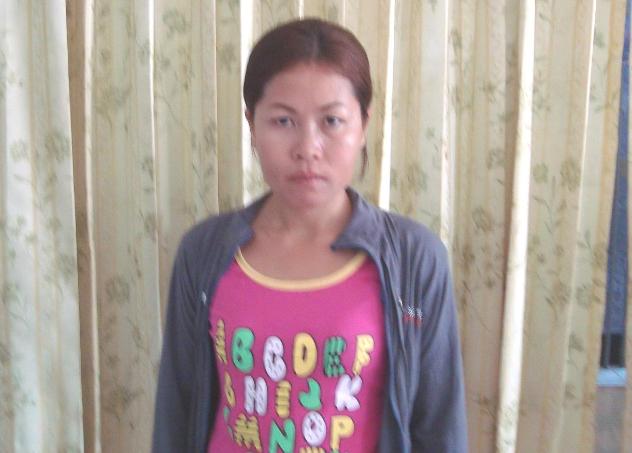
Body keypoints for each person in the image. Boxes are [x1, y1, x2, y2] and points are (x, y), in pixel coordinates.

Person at [152, 18, 467, 453]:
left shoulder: (414, 259)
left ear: (363, 125)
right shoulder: (204, 251)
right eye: (283, 121)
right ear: (252, 125)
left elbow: (439, 427)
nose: (308, 148)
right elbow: (177, 412)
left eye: (332, 121)